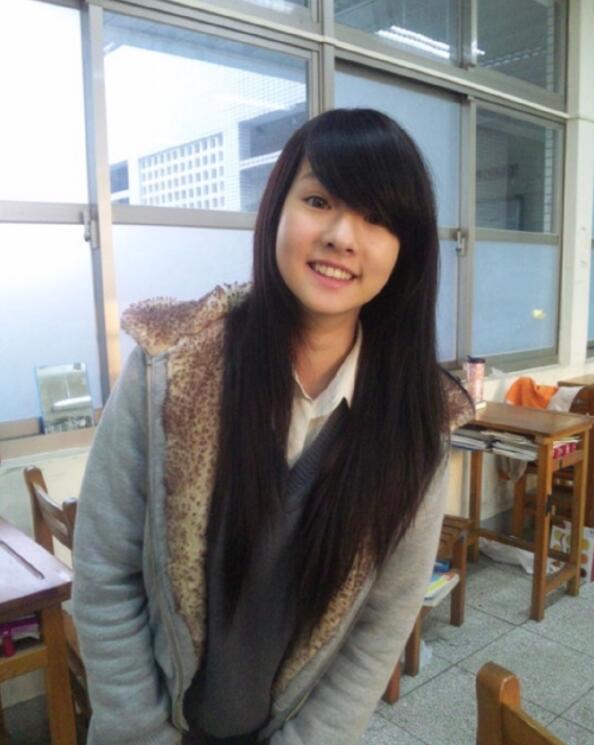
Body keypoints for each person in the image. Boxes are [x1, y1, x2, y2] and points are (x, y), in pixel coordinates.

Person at [72, 108, 473, 745]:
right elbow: (104, 573)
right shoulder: (168, 366)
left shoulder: (416, 423)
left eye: (377, 218)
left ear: (407, 250)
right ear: (276, 211)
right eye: (319, 201)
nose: (342, 236)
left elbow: (382, 623)